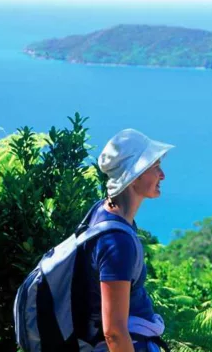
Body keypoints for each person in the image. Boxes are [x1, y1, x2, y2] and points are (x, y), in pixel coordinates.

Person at [81, 128, 174, 352]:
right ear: (135, 176)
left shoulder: (104, 211)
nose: (162, 175)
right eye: (155, 168)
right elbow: (114, 332)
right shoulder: (116, 242)